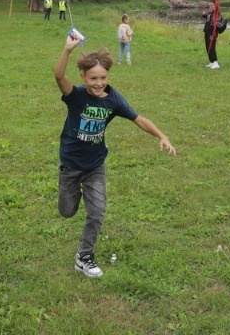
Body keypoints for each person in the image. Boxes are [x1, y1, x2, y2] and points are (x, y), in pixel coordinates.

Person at [54, 31, 176, 278]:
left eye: (103, 78)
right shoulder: (76, 97)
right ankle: (72, 191)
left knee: (97, 212)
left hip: (95, 165)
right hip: (70, 164)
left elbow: (139, 119)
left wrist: (161, 136)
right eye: (93, 78)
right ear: (84, 77)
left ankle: (84, 256)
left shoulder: (113, 100)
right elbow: (58, 75)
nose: (98, 83)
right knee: (67, 211)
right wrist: (67, 50)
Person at [202, 0, 221, 69]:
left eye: (213, 5)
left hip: (212, 33)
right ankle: (212, 61)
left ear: (216, 6)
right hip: (207, 31)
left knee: (211, 47)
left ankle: (216, 62)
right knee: (207, 47)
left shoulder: (216, 13)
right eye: (210, 6)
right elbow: (207, 18)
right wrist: (203, 14)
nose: (211, 7)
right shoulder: (210, 13)